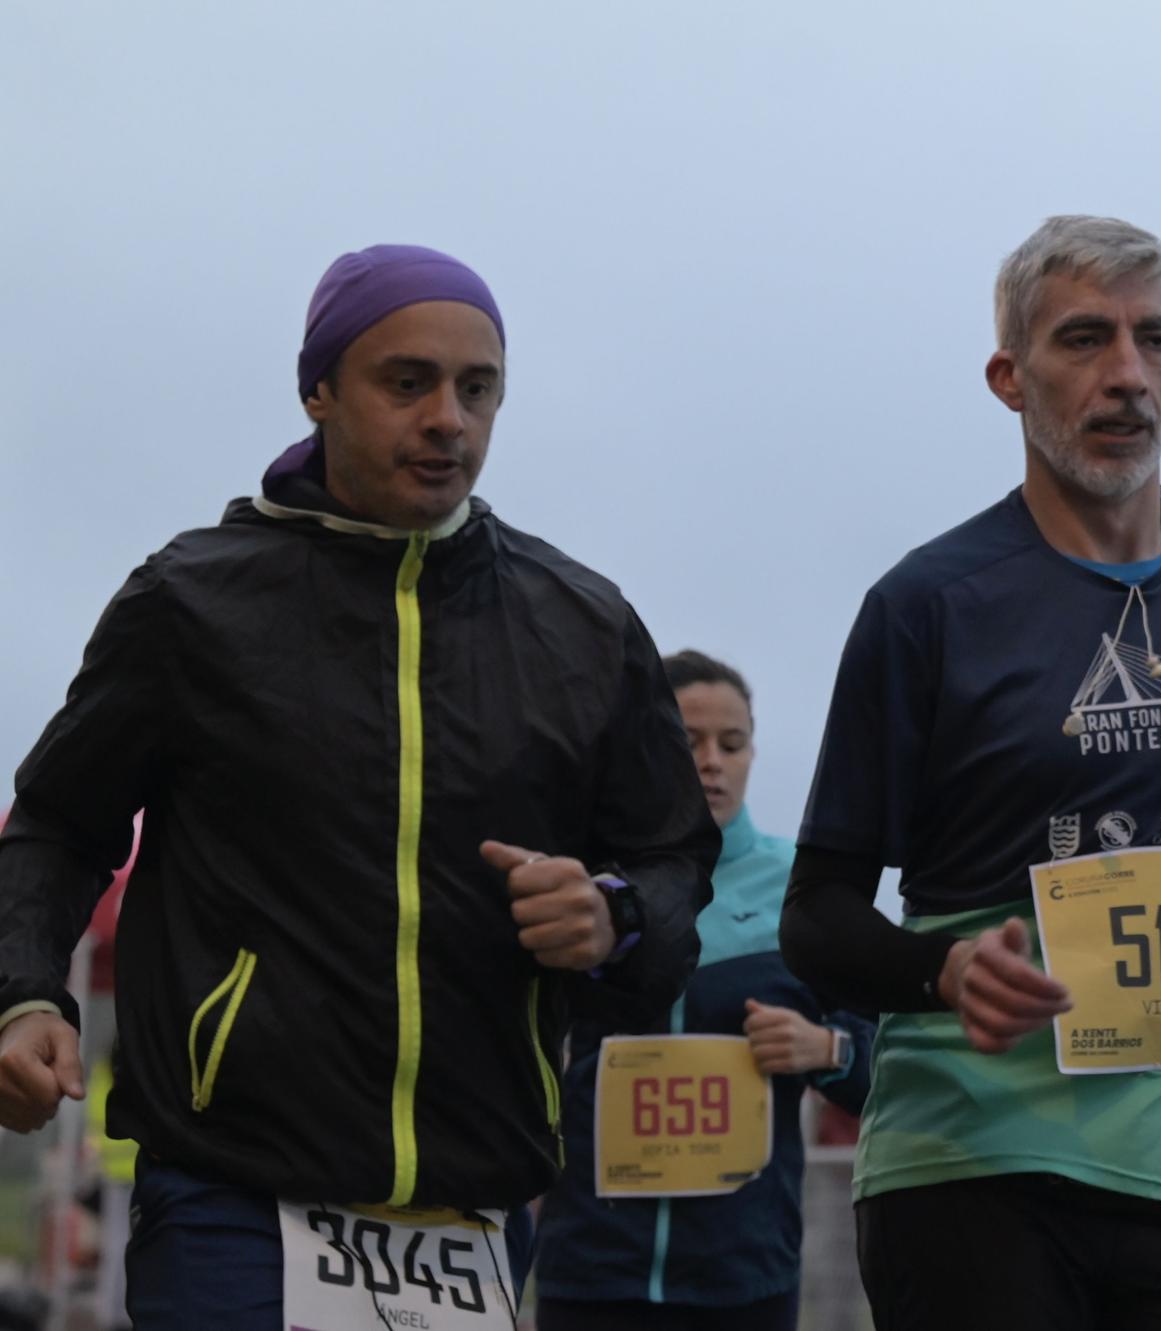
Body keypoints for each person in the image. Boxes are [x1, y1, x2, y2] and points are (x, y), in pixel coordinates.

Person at [0, 244, 718, 1327]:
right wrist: (23, 992)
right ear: (318, 389)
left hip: (475, 1211)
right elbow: (56, 825)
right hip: (230, 1188)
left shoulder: (585, 623)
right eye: (408, 381)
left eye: (478, 390)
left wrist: (613, 915)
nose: (448, 419)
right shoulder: (191, 603)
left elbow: (673, 865)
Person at [780, 215, 1161, 1331]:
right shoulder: (926, 604)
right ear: (1008, 377)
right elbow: (816, 917)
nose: (1125, 376)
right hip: (973, 1160)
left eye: (1151, 339)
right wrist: (946, 967)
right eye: (1082, 341)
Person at [535, 650, 874, 1331]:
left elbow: (892, 1067)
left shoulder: (800, 888)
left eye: (732, 742)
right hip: (591, 1267)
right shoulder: (584, 889)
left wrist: (826, 1046)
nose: (712, 760)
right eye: (687, 740)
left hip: (744, 1274)